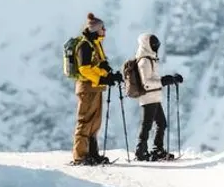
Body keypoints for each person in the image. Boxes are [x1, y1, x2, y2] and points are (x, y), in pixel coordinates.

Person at [125, 32, 183, 161]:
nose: (156, 45)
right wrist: (164, 81)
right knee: (148, 125)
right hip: (148, 97)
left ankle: (156, 149)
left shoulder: (150, 59)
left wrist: (168, 79)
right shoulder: (144, 61)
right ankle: (141, 151)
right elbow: (146, 83)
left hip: (154, 96)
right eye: (153, 43)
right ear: (147, 45)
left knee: (161, 124)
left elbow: (153, 78)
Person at [72, 13, 119, 165]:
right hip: (87, 87)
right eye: (102, 28)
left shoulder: (95, 44)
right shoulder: (85, 45)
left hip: (95, 87)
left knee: (94, 122)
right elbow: (84, 69)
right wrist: (102, 78)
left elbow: (95, 67)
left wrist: (108, 76)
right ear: (95, 29)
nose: (104, 30)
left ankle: (92, 154)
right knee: (85, 121)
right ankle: (80, 156)